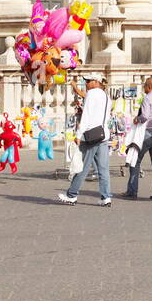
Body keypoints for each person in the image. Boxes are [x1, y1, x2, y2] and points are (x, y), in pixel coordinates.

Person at [58, 74, 112, 206]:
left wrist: (78, 134)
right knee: (103, 168)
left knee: (82, 166)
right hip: (103, 134)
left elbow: (86, 116)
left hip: (91, 134)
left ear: (95, 82)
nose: (86, 84)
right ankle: (106, 197)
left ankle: (72, 195)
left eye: (87, 81)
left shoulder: (92, 94)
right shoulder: (106, 96)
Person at [126, 77, 152, 201]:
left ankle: (132, 190)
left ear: (148, 86)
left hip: (147, 132)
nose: (144, 88)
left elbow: (145, 116)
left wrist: (137, 119)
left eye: (144, 86)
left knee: (135, 160)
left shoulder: (147, 98)